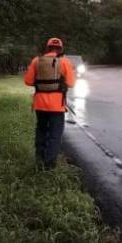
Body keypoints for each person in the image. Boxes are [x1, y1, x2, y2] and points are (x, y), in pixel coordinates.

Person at [24, 37, 77, 169]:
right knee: (55, 135)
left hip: (40, 104)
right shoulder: (64, 62)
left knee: (41, 131)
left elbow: (28, 81)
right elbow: (71, 83)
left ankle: (39, 159)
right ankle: (49, 165)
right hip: (57, 106)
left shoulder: (37, 61)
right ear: (60, 49)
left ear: (47, 48)